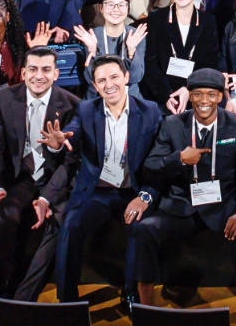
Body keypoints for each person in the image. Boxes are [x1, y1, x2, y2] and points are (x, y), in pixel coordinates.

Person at [137, 69, 236, 326]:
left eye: (210, 94)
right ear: (190, 96)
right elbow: (150, 167)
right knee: (144, 230)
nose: (203, 100)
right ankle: (146, 313)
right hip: (182, 205)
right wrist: (179, 159)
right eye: (197, 94)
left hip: (223, 207)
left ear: (220, 97)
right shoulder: (173, 124)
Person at [49, 54, 162, 306]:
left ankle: (131, 295)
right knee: (70, 225)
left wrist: (146, 196)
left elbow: (159, 160)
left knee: (139, 228)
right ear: (95, 86)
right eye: (101, 81)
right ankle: (67, 302)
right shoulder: (86, 109)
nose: (109, 84)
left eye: (114, 77)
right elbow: (72, 131)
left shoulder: (150, 111)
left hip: (133, 191)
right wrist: (60, 141)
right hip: (97, 192)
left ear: (126, 77)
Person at [0, 46, 80, 301]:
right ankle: (7, 281)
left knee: (56, 223)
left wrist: (47, 196)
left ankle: (24, 299)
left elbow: (71, 162)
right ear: (23, 73)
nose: (39, 76)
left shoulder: (73, 104)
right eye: (33, 69)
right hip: (20, 178)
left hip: (55, 179)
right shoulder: (5, 99)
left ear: (56, 74)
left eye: (46, 70)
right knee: (0, 219)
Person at [142, 0, 223, 111]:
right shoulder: (157, 18)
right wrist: (167, 96)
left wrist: (189, 89)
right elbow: (150, 64)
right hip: (163, 97)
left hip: (196, 94)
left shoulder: (208, 20)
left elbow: (210, 63)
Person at [76, 0, 149, 98]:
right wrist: (92, 50)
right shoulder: (91, 35)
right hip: (98, 98)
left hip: (129, 97)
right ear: (101, 8)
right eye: (110, 4)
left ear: (128, 9)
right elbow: (89, 79)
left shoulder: (136, 35)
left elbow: (136, 77)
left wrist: (131, 51)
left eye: (121, 5)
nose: (116, 9)